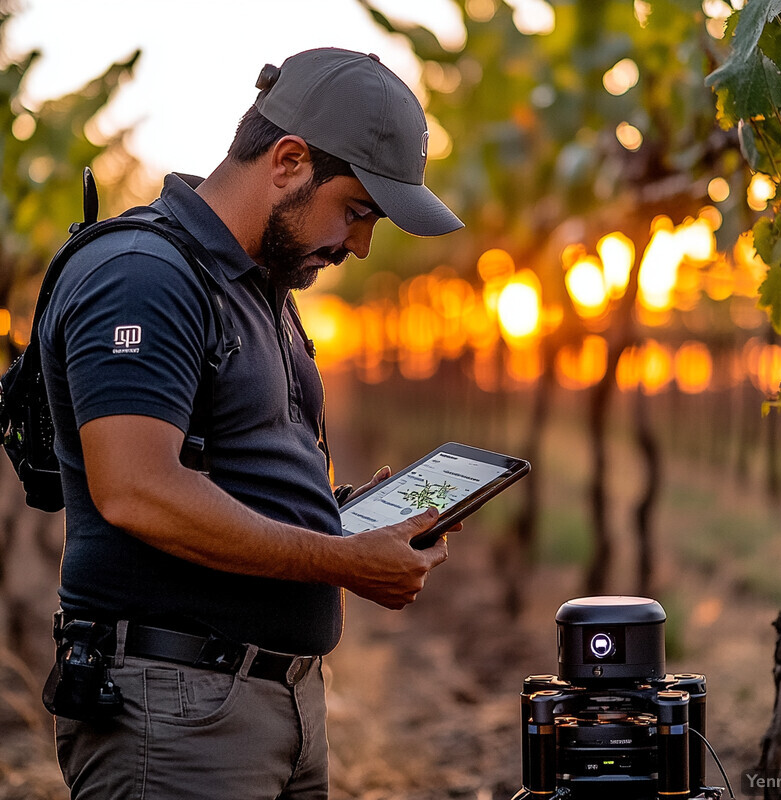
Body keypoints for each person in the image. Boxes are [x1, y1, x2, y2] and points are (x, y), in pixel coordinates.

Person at [39, 47, 463, 800]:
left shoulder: (257, 287)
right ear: (289, 160)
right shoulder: (144, 275)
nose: (360, 244)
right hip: (173, 719)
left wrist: (345, 519)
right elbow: (136, 490)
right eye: (358, 209)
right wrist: (342, 561)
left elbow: (235, 473)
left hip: (276, 702)